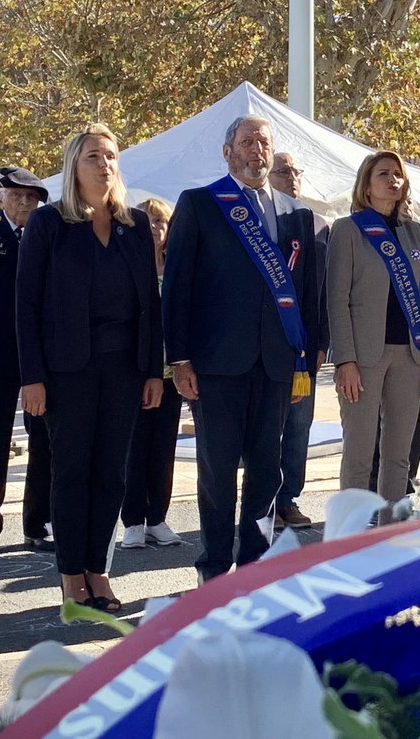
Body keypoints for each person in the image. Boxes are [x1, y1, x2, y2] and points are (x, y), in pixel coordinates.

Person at [162, 115, 319, 581]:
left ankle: (255, 566)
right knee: (217, 471)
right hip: (216, 362)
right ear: (227, 151)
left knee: (268, 470)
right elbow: (177, 286)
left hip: (276, 362)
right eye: (247, 141)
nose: (257, 150)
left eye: (264, 142)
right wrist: (179, 358)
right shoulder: (200, 204)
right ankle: (213, 566)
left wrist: (303, 362)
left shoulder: (297, 214)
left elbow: (307, 294)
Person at [17, 124, 163, 610]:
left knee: (112, 474)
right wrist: (31, 376)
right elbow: (26, 305)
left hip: (125, 368)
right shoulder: (49, 223)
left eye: (111, 156)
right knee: (72, 471)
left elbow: (150, 304)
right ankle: (70, 574)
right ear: (73, 168)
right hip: (66, 370)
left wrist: (151, 370)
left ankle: (99, 569)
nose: (105, 165)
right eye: (93, 157)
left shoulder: (136, 225)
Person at [327, 151, 420, 509]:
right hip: (363, 357)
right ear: (366, 183)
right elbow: (336, 300)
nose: (393, 180)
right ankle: (349, 538)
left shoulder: (413, 232)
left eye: (398, 174)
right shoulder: (347, 230)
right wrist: (344, 359)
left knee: (399, 454)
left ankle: (387, 536)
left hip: (410, 355)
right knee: (360, 453)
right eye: (384, 174)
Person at [0, 167, 54, 555]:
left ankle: (38, 523)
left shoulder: (47, 233)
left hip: (39, 350)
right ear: (1, 195)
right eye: (17, 195)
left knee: (44, 439)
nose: (24, 202)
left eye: (32, 197)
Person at [266, 152, 328, 529]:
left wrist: (322, 341)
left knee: (298, 424)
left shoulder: (316, 224)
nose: (292, 177)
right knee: (265, 427)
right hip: (261, 343)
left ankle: (288, 498)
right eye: (283, 170)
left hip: (303, 344)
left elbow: (321, 288)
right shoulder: (252, 223)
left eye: (295, 171)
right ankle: (263, 498)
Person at [120, 198, 185, 549]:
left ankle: (157, 518)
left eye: (161, 222)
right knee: (135, 446)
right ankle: (132, 520)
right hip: (136, 371)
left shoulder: (177, 265)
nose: (155, 228)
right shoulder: (128, 263)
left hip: (171, 373)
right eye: (148, 221)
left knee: (163, 447)